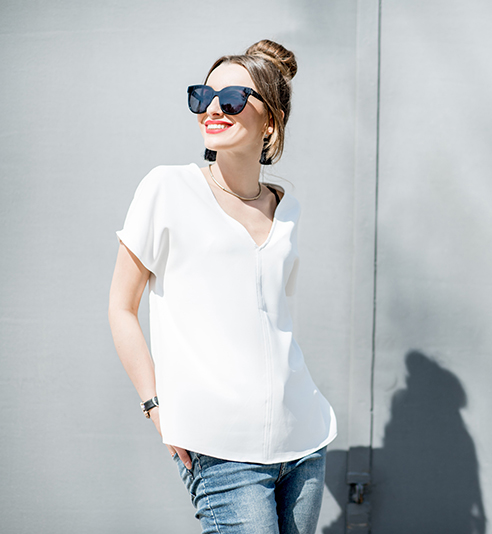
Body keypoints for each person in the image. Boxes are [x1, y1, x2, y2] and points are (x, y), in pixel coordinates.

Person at [108, 39, 336, 534]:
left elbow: (270, 322)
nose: (213, 108)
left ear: (270, 121)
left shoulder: (287, 208)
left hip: (303, 442)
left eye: (232, 99)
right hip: (220, 447)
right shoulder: (167, 188)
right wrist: (155, 406)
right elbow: (121, 307)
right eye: (202, 96)